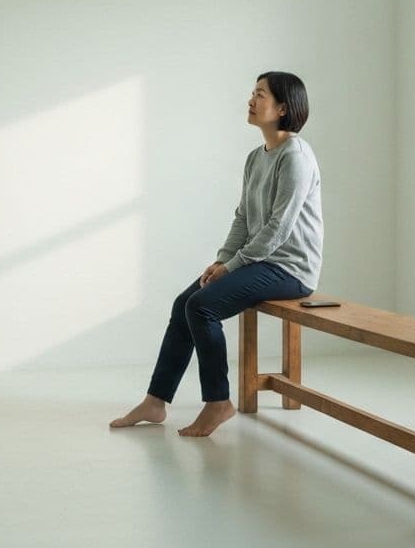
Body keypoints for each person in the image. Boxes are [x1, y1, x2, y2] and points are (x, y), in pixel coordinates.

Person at [110, 71, 324, 437]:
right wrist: (223, 261)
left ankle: (218, 403)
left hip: (291, 269)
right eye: (253, 92)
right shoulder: (256, 158)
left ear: (283, 108)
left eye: (260, 94)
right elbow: (243, 217)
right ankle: (155, 401)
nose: (251, 100)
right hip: (260, 261)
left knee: (202, 307)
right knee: (184, 302)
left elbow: (279, 228)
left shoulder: (296, 158)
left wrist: (234, 265)